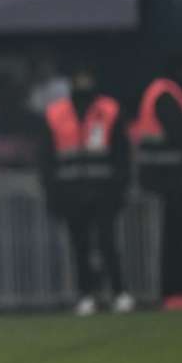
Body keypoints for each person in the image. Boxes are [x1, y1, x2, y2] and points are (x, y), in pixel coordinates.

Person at [39, 62, 134, 316]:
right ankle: (86, 294)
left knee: (107, 242)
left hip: (103, 190)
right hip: (71, 191)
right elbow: (46, 159)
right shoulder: (55, 113)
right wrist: (53, 193)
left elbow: (121, 154)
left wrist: (120, 188)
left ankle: (119, 291)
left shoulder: (108, 110)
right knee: (79, 245)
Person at [129, 52, 182, 309]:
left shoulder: (163, 93)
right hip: (168, 177)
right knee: (176, 236)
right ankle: (174, 291)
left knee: (177, 235)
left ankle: (177, 291)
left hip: (169, 176)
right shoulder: (166, 95)